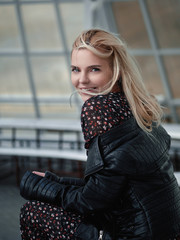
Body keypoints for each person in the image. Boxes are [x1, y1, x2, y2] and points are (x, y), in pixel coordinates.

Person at [20, 29, 180, 240]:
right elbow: (106, 186)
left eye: (94, 69)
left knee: (33, 212)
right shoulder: (135, 105)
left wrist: (38, 186)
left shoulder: (98, 108)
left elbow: (91, 202)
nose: (82, 80)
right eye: (75, 69)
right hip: (166, 230)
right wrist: (53, 180)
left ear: (117, 71)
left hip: (133, 234)